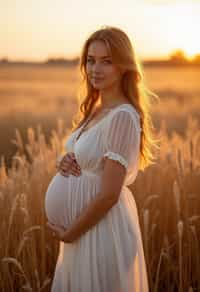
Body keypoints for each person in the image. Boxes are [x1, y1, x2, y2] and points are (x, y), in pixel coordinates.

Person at [45, 25, 158, 292]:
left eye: (107, 62)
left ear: (123, 67)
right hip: (85, 231)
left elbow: (109, 194)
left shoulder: (122, 116)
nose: (96, 69)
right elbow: (88, 161)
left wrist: (72, 232)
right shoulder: (96, 110)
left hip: (101, 232)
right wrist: (64, 162)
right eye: (91, 60)